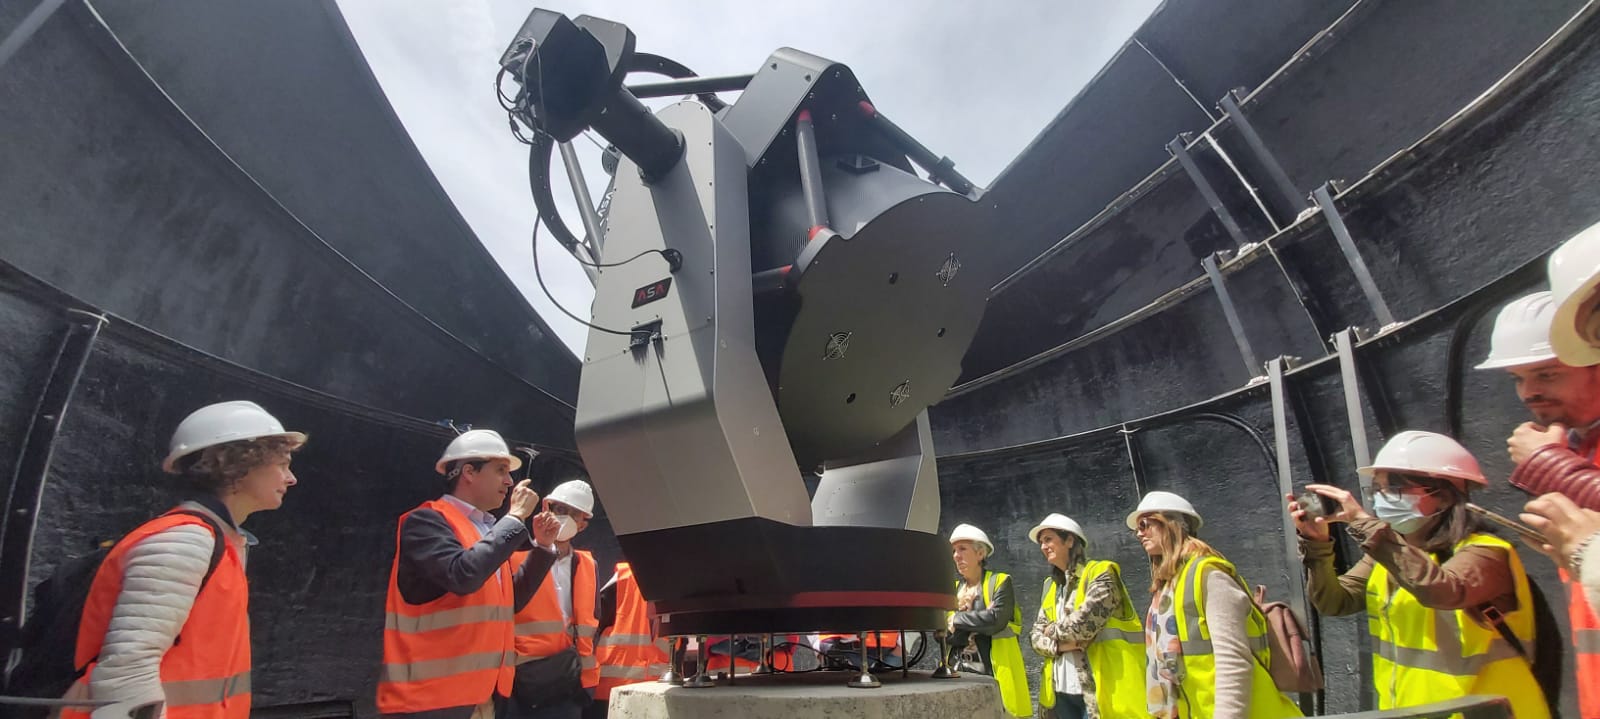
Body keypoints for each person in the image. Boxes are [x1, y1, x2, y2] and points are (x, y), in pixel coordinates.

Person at [62, 400, 306, 719]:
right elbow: (126, 671)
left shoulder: (218, 540)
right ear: (239, 464)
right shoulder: (184, 541)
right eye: (282, 464)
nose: (291, 478)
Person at [1289, 431, 1548, 718]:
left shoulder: (1486, 552)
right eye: (1377, 489)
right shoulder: (1388, 555)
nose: (1382, 498)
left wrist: (1365, 525)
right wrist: (1316, 544)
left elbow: (1441, 590)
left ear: (1443, 496)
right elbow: (1334, 601)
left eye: (1395, 488)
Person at [378, 430, 562, 719]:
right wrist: (514, 518)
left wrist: (543, 547)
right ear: (469, 472)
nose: (509, 481)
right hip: (429, 700)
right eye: (500, 470)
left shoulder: (486, 530)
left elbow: (509, 603)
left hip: (483, 697)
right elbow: (463, 576)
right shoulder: (426, 521)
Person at [1477, 289, 1600, 717]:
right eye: (1517, 378)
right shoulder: (1578, 450)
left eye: (1546, 374)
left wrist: (1548, 464)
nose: (1528, 392)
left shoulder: (1563, 458)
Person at [1130, 491, 1301, 719]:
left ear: (1173, 524)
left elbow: (1233, 659)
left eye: (1145, 524)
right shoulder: (1170, 586)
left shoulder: (1210, 576)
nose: (1139, 533)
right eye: (1137, 528)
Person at [1027, 513, 1144, 719]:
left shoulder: (1101, 573)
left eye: (1048, 539)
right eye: (1041, 542)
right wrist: (1061, 646)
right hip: (1060, 692)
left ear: (1069, 540)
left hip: (1099, 690)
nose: (1043, 547)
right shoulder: (1050, 586)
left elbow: (1081, 628)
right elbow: (1034, 638)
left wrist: (1050, 630)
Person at [510, 480, 599, 719]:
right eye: (560, 509)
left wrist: (586, 684)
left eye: (573, 513)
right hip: (521, 681)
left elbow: (592, 623)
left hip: (567, 682)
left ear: (582, 524)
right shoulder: (516, 557)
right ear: (546, 507)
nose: (564, 517)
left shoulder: (587, 565)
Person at [946, 523, 1030, 718]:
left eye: (962, 549)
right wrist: (976, 618)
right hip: (960, 674)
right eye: (954, 551)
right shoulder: (953, 589)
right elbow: (942, 635)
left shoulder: (1000, 582)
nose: (956, 556)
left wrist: (957, 618)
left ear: (980, 554)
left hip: (994, 674)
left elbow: (995, 621)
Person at [588, 562, 670, 719]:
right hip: (611, 697)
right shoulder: (623, 579)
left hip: (657, 696)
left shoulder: (677, 585)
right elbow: (590, 629)